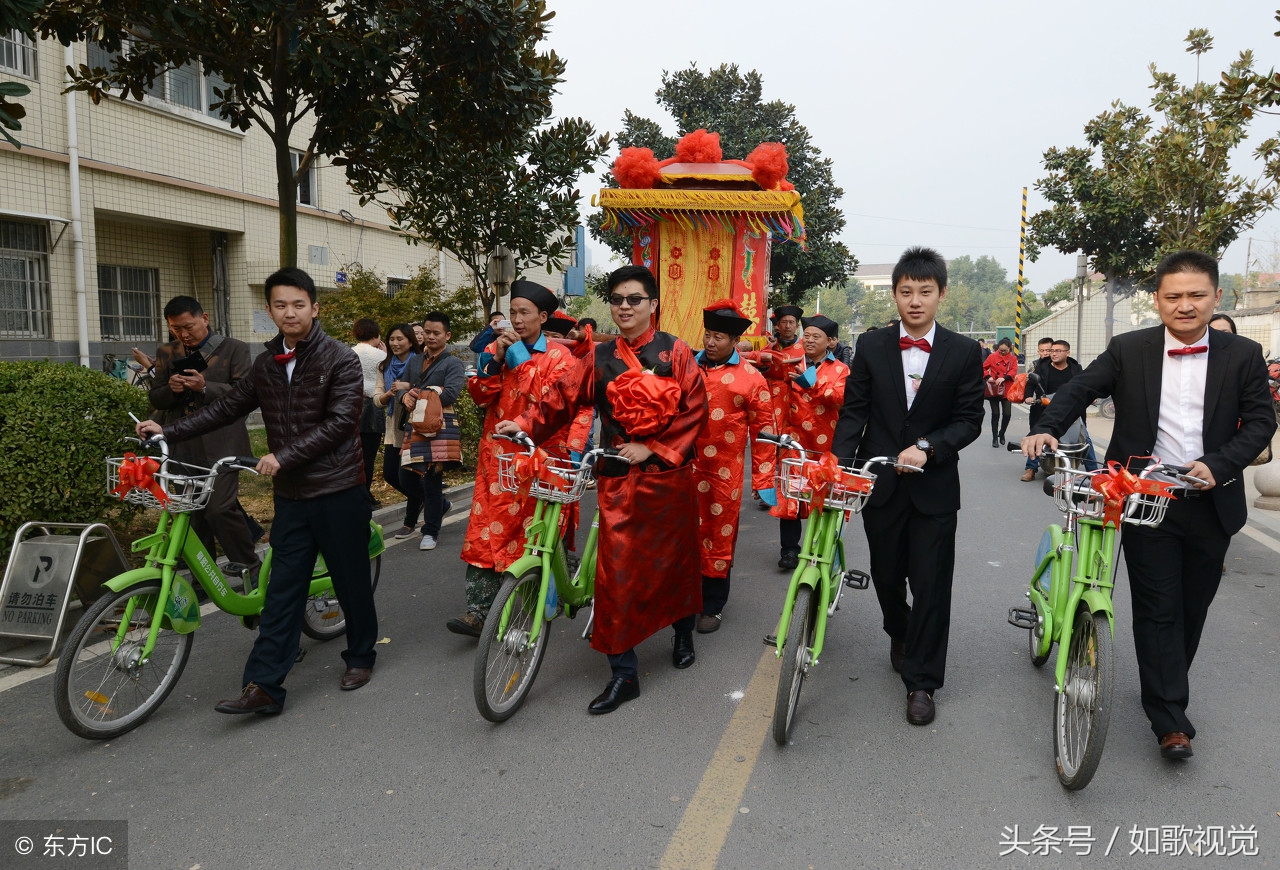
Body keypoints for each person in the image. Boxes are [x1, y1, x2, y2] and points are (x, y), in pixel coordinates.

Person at [1022, 250, 1276, 761]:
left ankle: (1166, 686)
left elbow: (1260, 423)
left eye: (1197, 295)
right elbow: (1079, 389)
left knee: (1192, 608)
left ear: (1216, 297)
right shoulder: (1128, 348)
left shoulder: (1243, 354)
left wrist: (1220, 464)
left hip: (1211, 500)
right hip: (1145, 499)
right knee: (1158, 607)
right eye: (1175, 296)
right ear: (1158, 300)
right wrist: (1045, 429)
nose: (1186, 305)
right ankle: (1168, 717)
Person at [137, 267, 379, 714]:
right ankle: (264, 686)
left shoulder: (339, 359)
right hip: (290, 494)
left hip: (337, 489)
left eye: (299, 304)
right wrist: (167, 430)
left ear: (314, 308)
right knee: (284, 589)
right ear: (270, 311)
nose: (290, 313)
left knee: (349, 580)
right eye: (281, 305)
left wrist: (285, 455)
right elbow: (228, 406)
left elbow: (341, 422)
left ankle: (361, 654)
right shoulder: (267, 363)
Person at [495, 264, 707, 714]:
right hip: (616, 478)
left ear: (653, 305)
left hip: (667, 479)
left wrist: (653, 448)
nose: (624, 307)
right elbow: (562, 397)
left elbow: (694, 410)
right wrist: (526, 422)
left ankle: (683, 633)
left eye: (634, 299)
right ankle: (624, 673)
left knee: (675, 563)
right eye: (617, 299)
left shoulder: (677, 352)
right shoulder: (600, 356)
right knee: (614, 576)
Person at [831, 247, 984, 726]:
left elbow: (969, 420)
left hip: (934, 489)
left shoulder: (964, 351)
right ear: (895, 295)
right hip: (881, 487)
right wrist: (839, 467)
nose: (915, 301)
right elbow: (855, 411)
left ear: (941, 294)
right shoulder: (872, 346)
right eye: (905, 292)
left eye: (925, 292)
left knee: (932, 584)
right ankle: (898, 630)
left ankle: (922, 682)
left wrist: (929, 447)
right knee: (886, 575)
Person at [450, 283, 590, 635]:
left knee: (534, 532)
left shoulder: (561, 358)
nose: (515, 319)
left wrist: (522, 362)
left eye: (523, 312)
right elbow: (481, 397)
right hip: (495, 459)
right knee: (485, 531)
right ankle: (479, 612)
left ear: (543, 317)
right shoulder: (498, 348)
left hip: (538, 459)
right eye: (512, 312)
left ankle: (535, 599)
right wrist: (493, 360)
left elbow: (548, 402)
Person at [148, 295, 260, 573]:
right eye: (176, 329)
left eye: (189, 326)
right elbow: (156, 398)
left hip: (222, 443)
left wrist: (204, 387)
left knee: (219, 508)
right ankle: (204, 575)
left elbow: (245, 394)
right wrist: (171, 390)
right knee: (191, 514)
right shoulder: (167, 352)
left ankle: (248, 563)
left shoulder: (234, 349)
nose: (184, 334)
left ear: (205, 318)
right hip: (181, 444)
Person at [693, 300, 775, 633]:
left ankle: (712, 604)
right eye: (708, 335)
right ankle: (678, 599)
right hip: (680, 468)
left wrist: (764, 480)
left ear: (734, 341)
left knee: (717, 534)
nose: (710, 342)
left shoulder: (752, 379)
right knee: (678, 533)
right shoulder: (685, 368)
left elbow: (765, 433)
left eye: (718, 337)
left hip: (722, 475)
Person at [771, 314, 850, 568]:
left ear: (830, 341)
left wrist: (812, 385)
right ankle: (789, 551)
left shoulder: (840, 369)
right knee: (790, 494)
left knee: (823, 497)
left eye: (817, 337)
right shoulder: (791, 364)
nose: (809, 341)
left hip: (825, 445)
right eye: (807, 336)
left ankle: (818, 548)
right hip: (794, 441)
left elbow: (841, 397)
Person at [743, 305, 807, 564]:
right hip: (769, 416)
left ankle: (799, 546)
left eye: (792, 322)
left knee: (796, 477)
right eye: (784, 322)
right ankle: (766, 491)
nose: (788, 326)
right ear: (777, 326)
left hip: (799, 421)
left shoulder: (806, 352)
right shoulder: (766, 352)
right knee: (769, 463)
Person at [399, 312, 467, 552]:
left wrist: (419, 392)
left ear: (447, 335)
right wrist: (403, 395)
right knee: (405, 475)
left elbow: (451, 393)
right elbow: (402, 385)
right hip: (415, 424)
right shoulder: (415, 360)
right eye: (427, 332)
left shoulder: (453, 363)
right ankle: (439, 505)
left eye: (436, 333)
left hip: (440, 426)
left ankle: (430, 530)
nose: (430, 336)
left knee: (432, 478)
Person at [372, 324, 422, 537]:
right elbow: (377, 398)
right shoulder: (385, 365)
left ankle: (409, 522)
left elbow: (428, 389)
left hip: (415, 426)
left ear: (410, 341)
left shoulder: (420, 363)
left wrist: (407, 389)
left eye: (400, 339)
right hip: (394, 426)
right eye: (392, 339)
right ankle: (433, 500)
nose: (395, 343)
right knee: (391, 475)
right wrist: (388, 395)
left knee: (407, 477)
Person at [1021, 339, 1089, 481]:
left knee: (1085, 438)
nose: (1053, 353)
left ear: (1067, 352)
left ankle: (1095, 472)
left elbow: (1086, 386)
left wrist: (1091, 397)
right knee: (1036, 436)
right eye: (1052, 351)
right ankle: (1030, 469)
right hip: (1045, 410)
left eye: (1058, 351)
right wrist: (1028, 396)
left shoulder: (1076, 369)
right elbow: (1031, 383)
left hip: (1072, 411)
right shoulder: (1041, 366)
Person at [353, 318, 387, 508]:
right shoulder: (381, 356)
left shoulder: (349, 353)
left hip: (351, 408)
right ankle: (365, 496)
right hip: (373, 407)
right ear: (376, 334)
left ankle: (356, 495)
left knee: (353, 455)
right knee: (369, 456)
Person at [983, 337, 1018, 447]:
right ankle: (994, 438)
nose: (1002, 352)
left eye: (1005, 350)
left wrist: (1005, 378)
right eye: (1000, 350)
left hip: (1007, 388)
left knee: (1007, 414)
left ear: (1010, 348)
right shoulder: (992, 356)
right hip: (994, 389)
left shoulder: (1013, 359)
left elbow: (1014, 370)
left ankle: (1002, 433)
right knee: (995, 414)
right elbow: (982, 368)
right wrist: (988, 376)